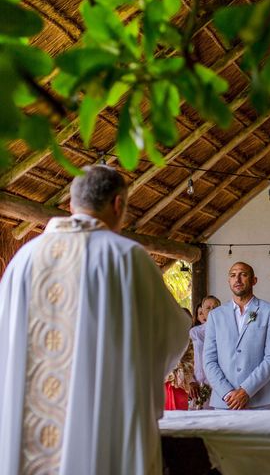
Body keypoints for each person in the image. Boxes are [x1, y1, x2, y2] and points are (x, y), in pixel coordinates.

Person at [0, 165, 189, 475]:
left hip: (30, 432)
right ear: (118, 205)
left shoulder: (24, 260)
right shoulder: (127, 258)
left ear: (71, 204)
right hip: (103, 426)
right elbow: (171, 335)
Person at [204, 262, 270, 409]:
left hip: (260, 399)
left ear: (254, 280)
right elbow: (209, 360)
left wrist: (246, 390)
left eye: (243, 274)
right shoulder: (215, 316)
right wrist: (227, 393)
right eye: (233, 275)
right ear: (229, 281)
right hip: (225, 402)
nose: (237, 279)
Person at [189, 295, 221, 408]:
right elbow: (185, 358)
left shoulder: (227, 331)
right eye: (208, 307)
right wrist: (191, 381)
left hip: (220, 384)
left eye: (215, 307)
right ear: (202, 311)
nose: (212, 310)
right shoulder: (194, 332)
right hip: (199, 384)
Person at [165, 308, 196, 410]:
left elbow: (191, 360)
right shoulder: (164, 336)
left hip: (180, 383)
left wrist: (178, 368)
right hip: (164, 381)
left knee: (179, 412)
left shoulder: (189, 339)